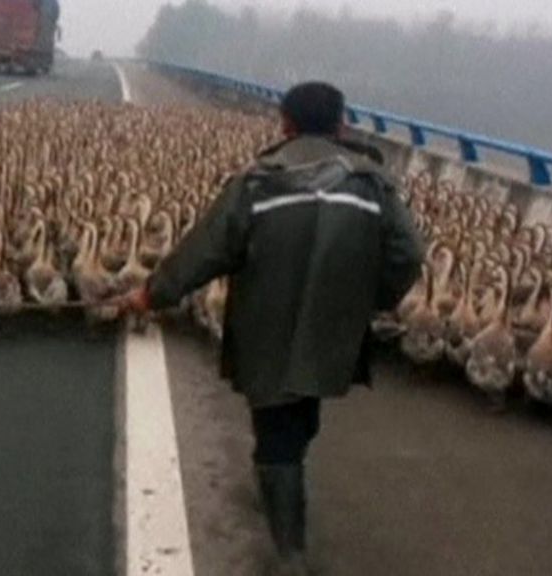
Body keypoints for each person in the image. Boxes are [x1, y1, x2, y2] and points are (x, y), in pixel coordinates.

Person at [121, 82, 425, 576]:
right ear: (341, 126)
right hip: (333, 329)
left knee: (277, 430)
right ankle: (284, 489)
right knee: (301, 409)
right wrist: (367, 301)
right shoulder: (373, 185)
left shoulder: (258, 183)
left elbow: (207, 250)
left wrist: (153, 294)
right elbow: (408, 255)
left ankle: (289, 554)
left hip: (268, 326)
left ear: (284, 124)